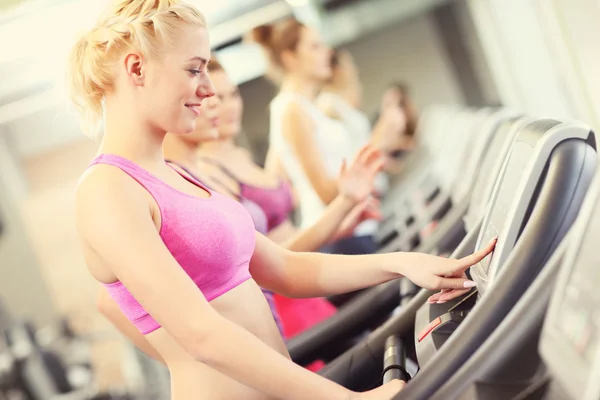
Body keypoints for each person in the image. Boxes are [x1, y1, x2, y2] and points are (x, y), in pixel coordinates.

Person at [69, 1, 496, 399]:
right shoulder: (107, 190)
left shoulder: (176, 174)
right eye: (194, 70)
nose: (207, 90)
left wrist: (404, 262)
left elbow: (285, 268)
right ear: (137, 68)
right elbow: (200, 334)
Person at [251, 20, 389, 255]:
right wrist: (363, 170)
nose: (327, 52)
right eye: (315, 46)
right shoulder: (291, 109)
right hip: (340, 239)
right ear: (290, 58)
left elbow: (275, 175)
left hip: (354, 228)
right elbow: (324, 192)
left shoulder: (305, 106)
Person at [319, 49, 411, 173]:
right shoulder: (328, 106)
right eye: (349, 65)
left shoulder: (341, 103)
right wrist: (385, 123)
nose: (354, 69)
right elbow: (355, 152)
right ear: (336, 70)